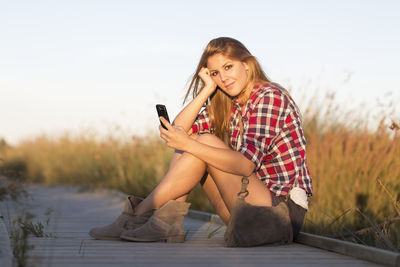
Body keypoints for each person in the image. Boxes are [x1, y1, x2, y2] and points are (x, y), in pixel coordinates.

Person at [89, 37, 313, 244]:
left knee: (200, 142)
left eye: (228, 67)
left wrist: (188, 143)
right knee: (195, 141)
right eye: (215, 73)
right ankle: (166, 222)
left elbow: (245, 165)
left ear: (246, 64)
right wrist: (207, 90)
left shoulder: (269, 96)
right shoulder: (230, 103)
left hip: (279, 215)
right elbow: (178, 131)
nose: (223, 78)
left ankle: (138, 214)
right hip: (246, 212)